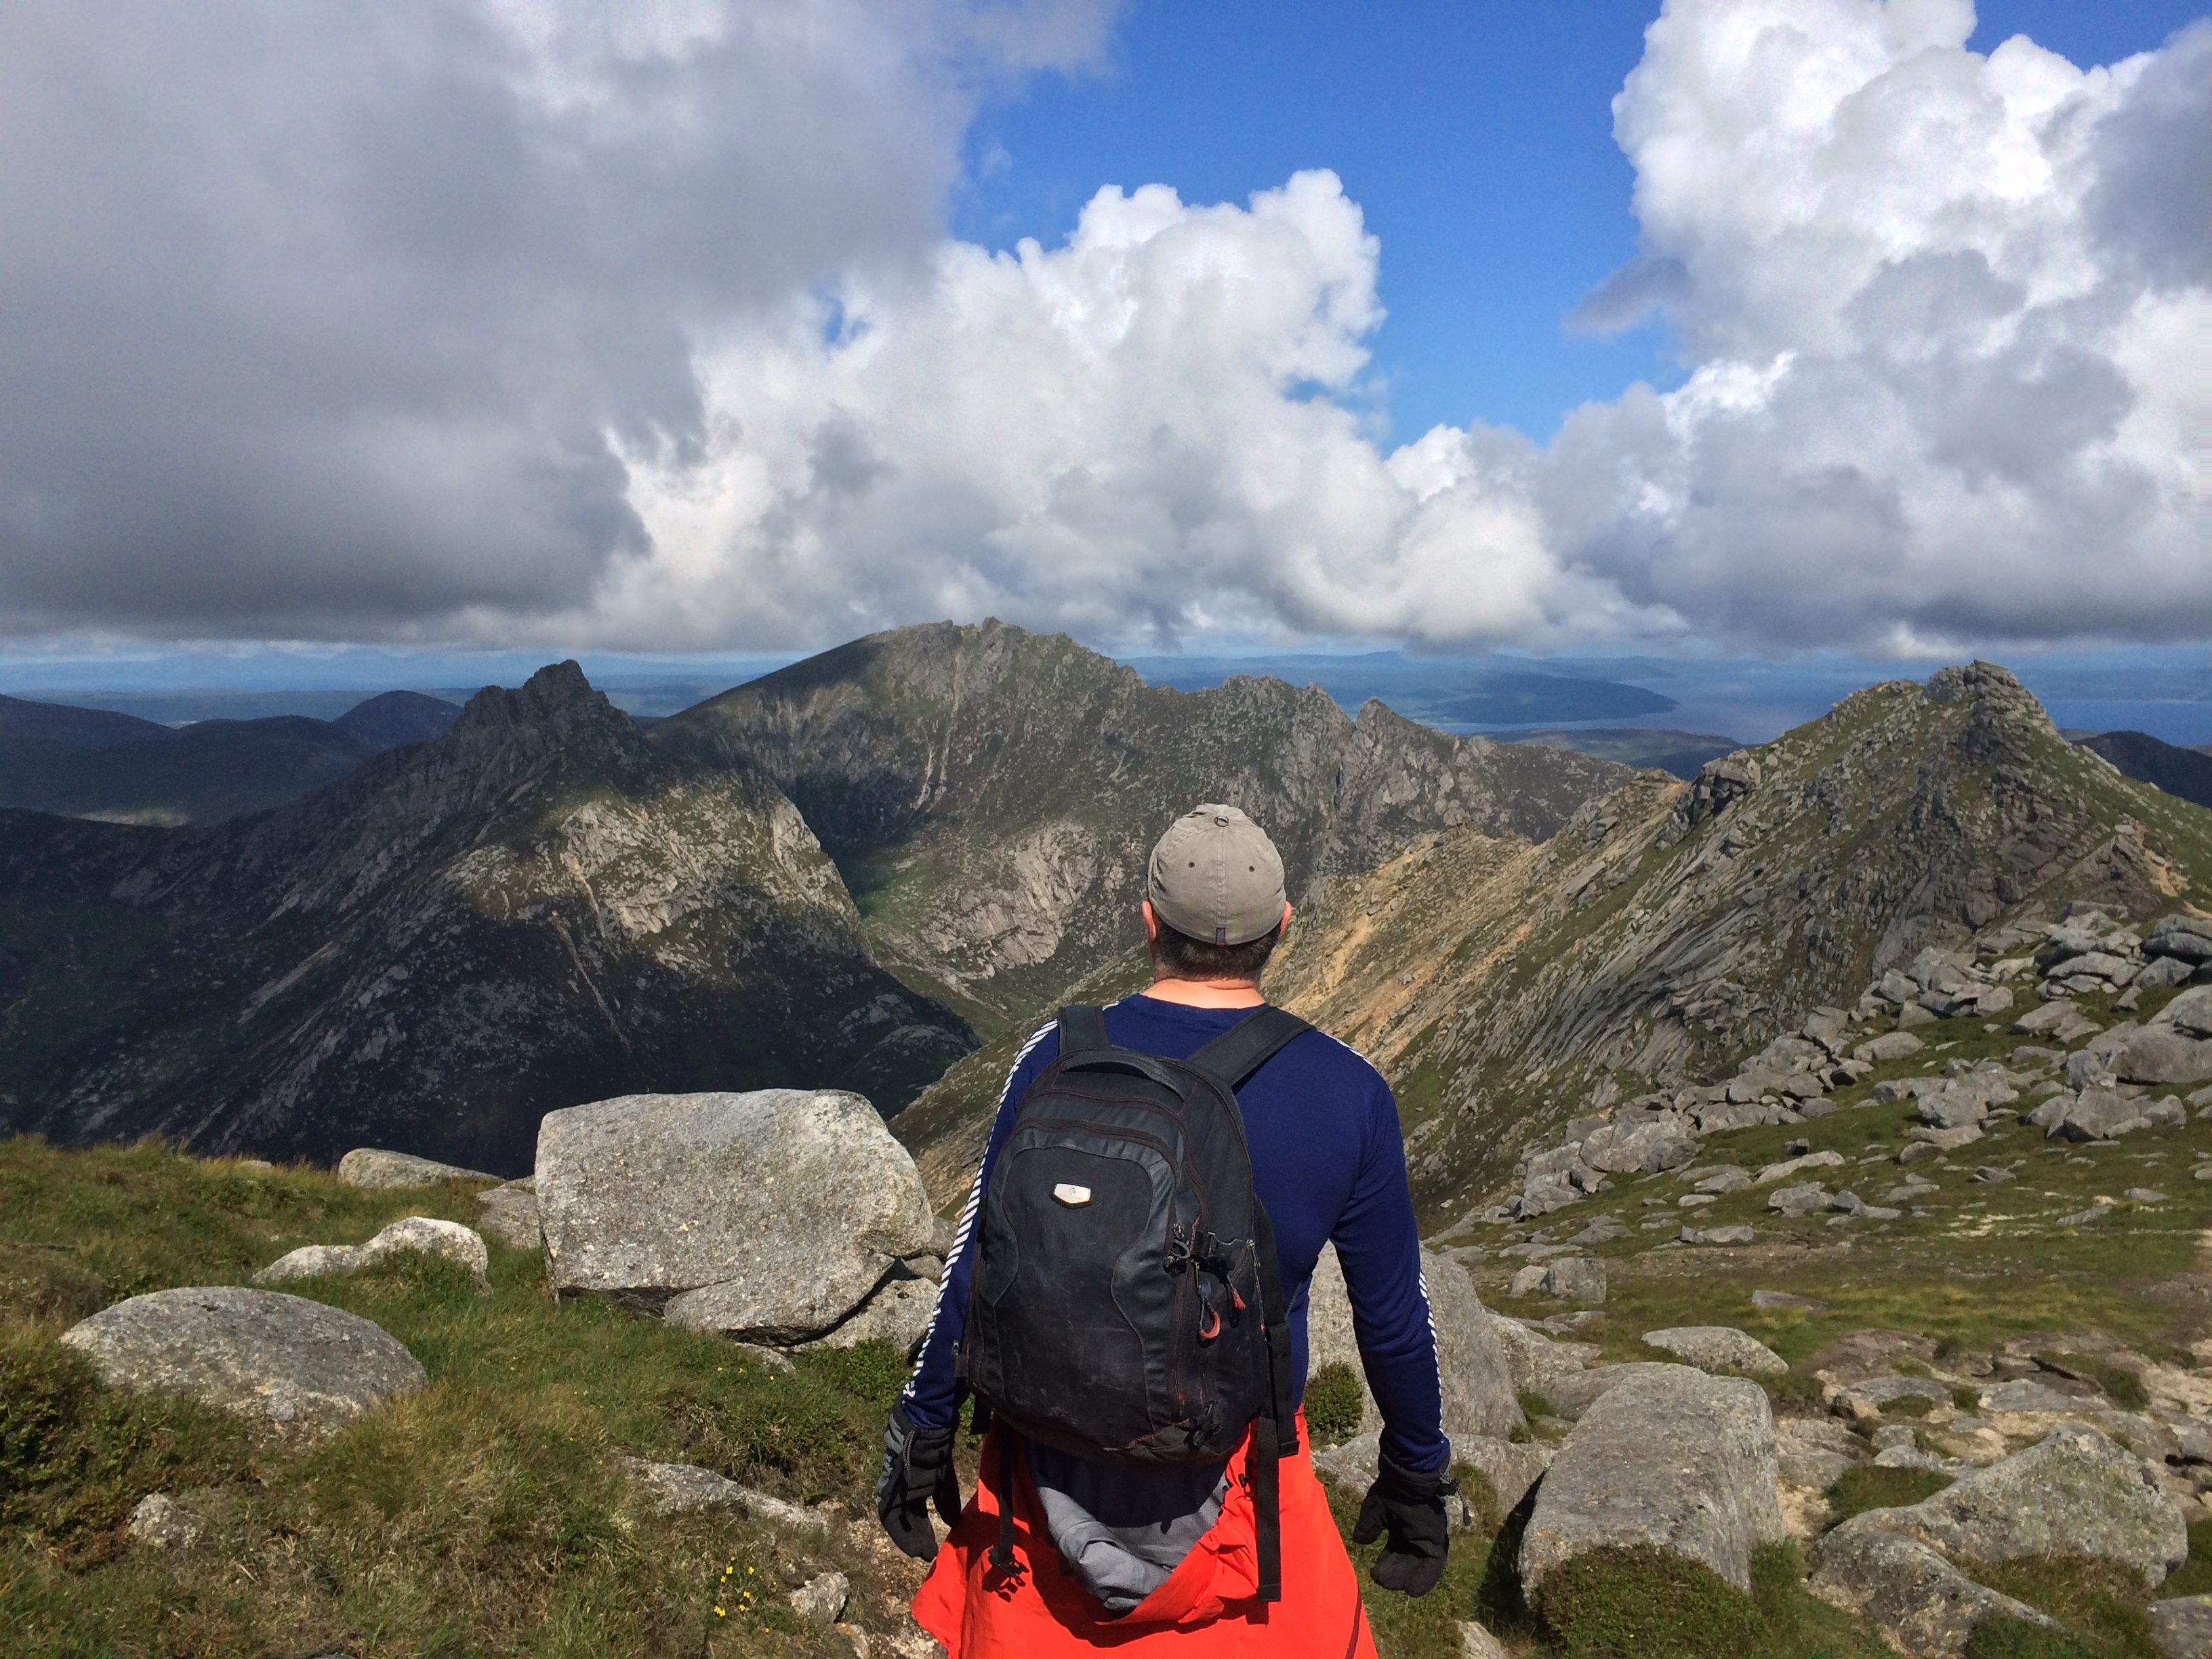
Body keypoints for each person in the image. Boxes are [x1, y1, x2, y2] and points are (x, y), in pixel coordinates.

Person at [878, 803, 1453, 1659]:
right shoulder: (1350, 1092)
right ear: (1284, 928)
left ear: (1148, 923)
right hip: (1245, 1503)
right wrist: (1417, 1472)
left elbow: (978, 1260)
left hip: (1038, 1490)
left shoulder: (1055, 1057)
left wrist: (925, 1424)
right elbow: (1394, 1319)